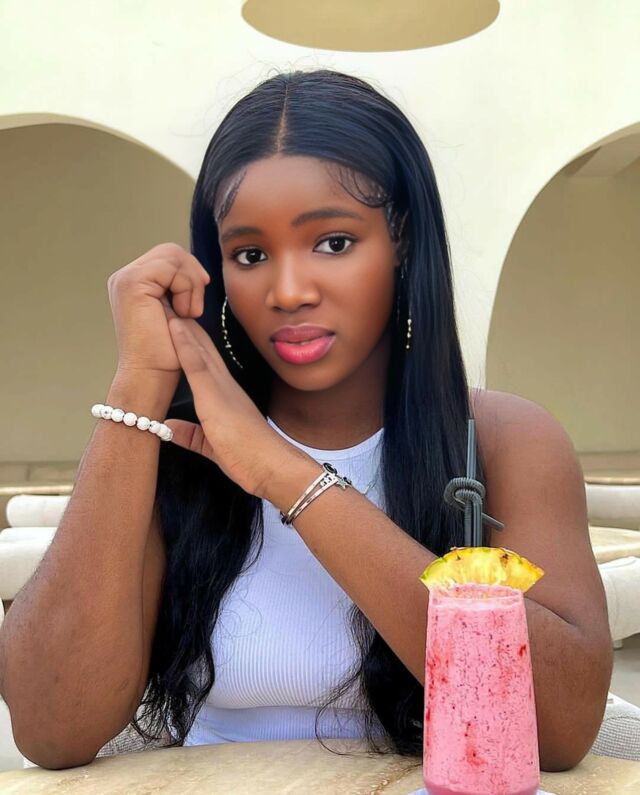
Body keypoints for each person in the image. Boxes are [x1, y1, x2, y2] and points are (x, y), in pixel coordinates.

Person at [0, 68, 612, 773]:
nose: (288, 291)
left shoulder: (502, 441)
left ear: (402, 239)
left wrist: (288, 475)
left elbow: (559, 730)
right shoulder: (175, 445)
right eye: (251, 254)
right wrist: (138, 384)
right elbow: (50, 728)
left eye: (334, 242)